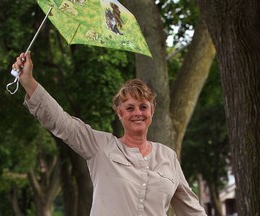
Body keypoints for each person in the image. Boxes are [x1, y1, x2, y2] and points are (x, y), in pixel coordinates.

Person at [12, 52, 207, 216]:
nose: (138, 113)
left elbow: (192, 210)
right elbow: (62, 123)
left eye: (143, 107)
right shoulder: (101, 146)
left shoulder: (168, 157)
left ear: (152, 111)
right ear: (119, 113)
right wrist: (28, 81)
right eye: (129, 108)